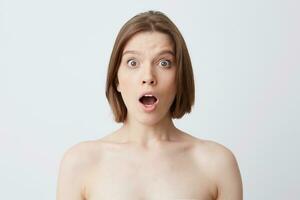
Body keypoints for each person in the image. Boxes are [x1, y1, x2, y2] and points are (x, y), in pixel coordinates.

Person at [56, 10, 243, 200]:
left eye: (164, 63)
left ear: (179, 78)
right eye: (132, 62)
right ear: (116, 79)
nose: (148, 77)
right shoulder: (80, 163)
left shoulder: (217, 164)